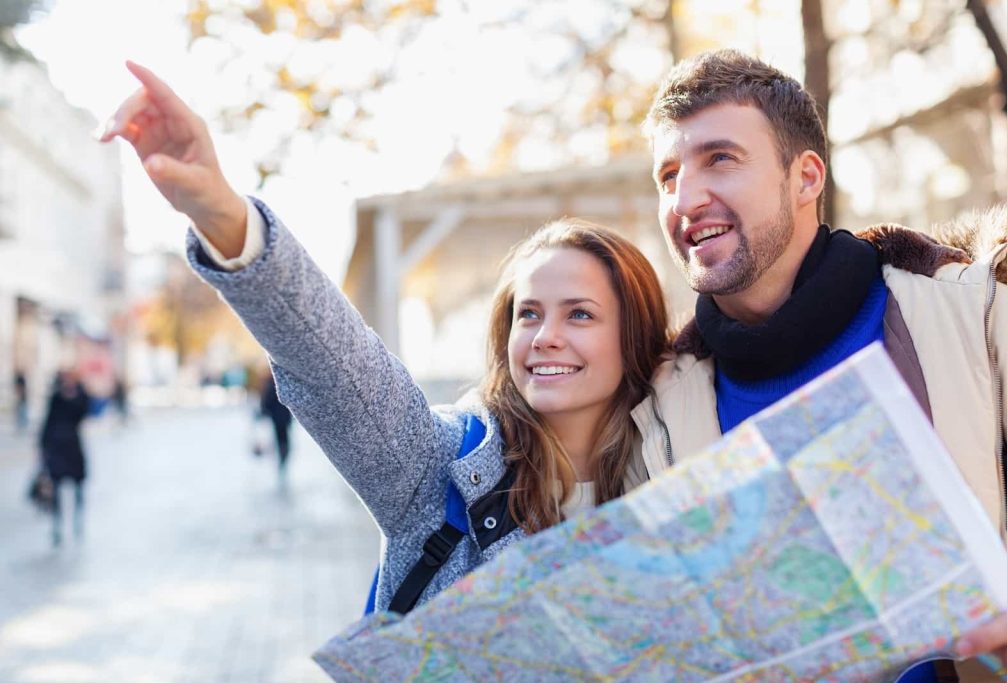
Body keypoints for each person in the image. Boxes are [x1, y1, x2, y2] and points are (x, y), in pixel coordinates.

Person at [99, 62, 669, 611]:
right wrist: (221, 213)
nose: (545, 336)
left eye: (580, 315)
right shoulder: (435, 467)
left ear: (633, 332)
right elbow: (334, 364)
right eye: (529, 314)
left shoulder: (681, 469)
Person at [634, 49, 1007, 682]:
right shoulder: (659, 409)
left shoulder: (975, 317)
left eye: (720, 160)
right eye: (668, 175)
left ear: (806, 177)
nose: (686, 198)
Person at [39, 369, 91, 547]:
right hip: (57, 448)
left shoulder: (78, 397)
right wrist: (42, 447)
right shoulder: (56, 397)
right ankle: (57, 526)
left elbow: (85, 410)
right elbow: (47, 421)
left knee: (78, 487)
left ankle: (78, 521)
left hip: (73, 448)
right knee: (56, 489)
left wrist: (80, 389)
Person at [260, 372, 294, 482]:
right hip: (284, 417)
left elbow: (267, 401)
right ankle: (284, 455)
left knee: (280, 438)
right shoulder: (283, 384)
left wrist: (264, 411)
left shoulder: (271, 384)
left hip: (277, 417)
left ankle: (282, 456)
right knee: (284, 438)